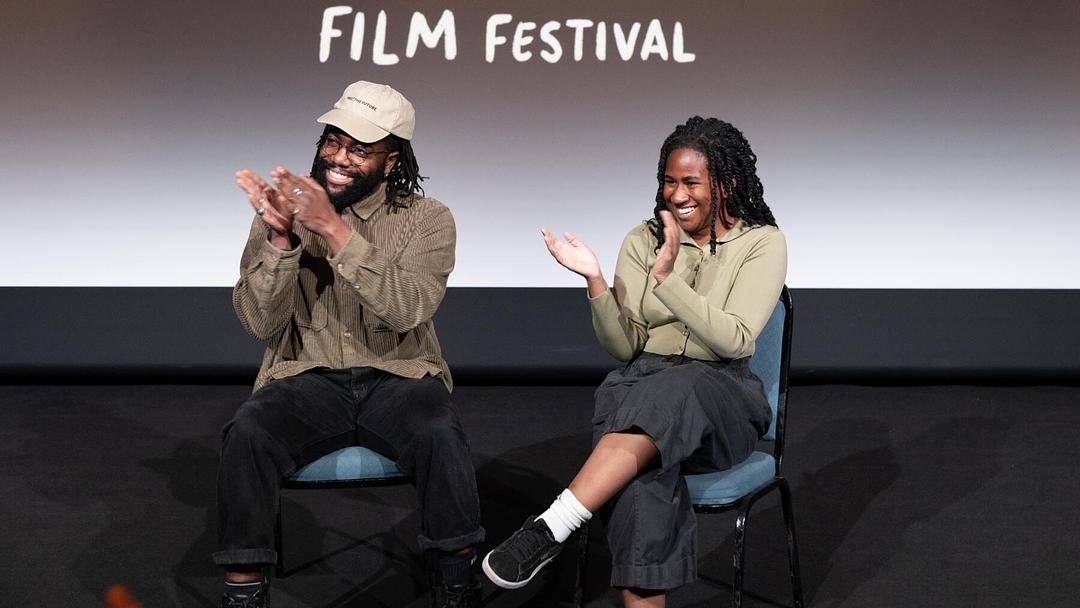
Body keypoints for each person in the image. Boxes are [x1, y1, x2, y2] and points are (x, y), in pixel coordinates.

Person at [482, 116, 786, 607]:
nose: (677, 193)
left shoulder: (760, 242)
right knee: (641, 488)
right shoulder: (641, 240)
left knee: (680, 386)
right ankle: (548, 533)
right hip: (643, 386)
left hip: (722, 400)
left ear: (726, 184)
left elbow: (734, 341)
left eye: (691, 182)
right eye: (669, 181)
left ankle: (553, 525)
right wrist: (596, 282)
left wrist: (669, 281)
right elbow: (626, 348)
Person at [217, 81, 484, 608]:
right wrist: (281, 240)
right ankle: (244, 589)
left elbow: (408, 308)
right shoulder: (283, 214)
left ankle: (457, 582)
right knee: (246, 431)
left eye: (359, 150)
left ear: (390, 163)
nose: (339, 158)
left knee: (440, 433)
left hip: (399, 375)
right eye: (333, 142)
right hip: (305, 376)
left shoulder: (428, 219)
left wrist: (333, 230)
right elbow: (257, 322)